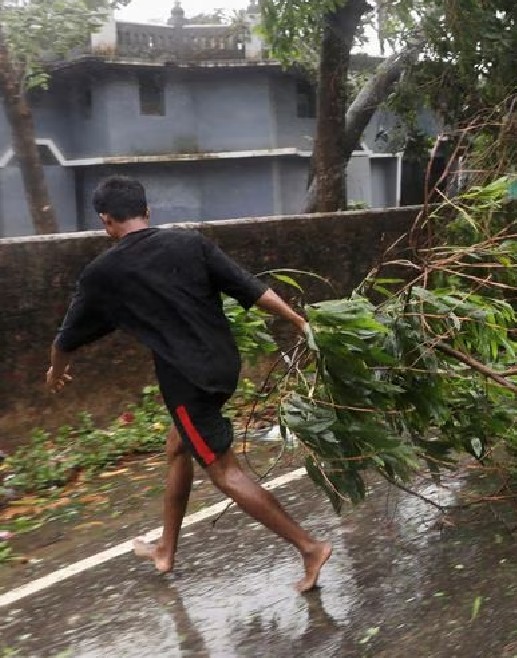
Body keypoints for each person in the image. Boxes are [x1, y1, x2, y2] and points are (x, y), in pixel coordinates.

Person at [45, 176, 332, 592]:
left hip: (188, 383)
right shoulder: (188, 243)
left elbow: (66, 338)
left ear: (106, 220)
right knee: (178, 446)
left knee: (224, 472)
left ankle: (309, 547)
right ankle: (166, 550)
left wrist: (56, 372)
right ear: (147, 211)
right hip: (224, 366)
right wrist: (299, 322)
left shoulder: (102, 273)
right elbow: (252, 289)